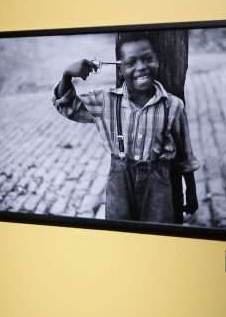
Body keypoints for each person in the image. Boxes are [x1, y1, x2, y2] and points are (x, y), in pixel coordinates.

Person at [52, 31, 200, 223]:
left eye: (148, 59)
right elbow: (68, 107)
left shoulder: (173, 106)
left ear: (158, 61)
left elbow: (184, 155)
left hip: (158, 187)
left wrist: (191, 190)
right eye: (131, 63)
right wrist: (67, 75)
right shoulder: (106, 102)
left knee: (158, 237)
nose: (141, 68)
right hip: (119, 186)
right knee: (120, 235)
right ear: (120, 70)